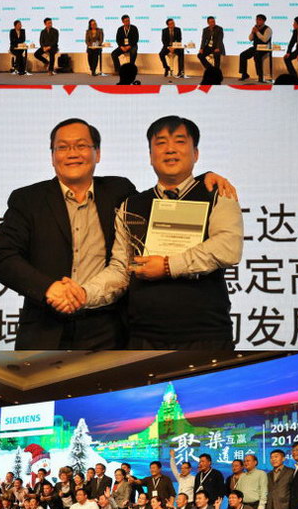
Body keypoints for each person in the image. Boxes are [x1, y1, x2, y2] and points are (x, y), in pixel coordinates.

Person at [79, 115, 243, 348]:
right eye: (161, 143)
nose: (170, 149)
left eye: (180, 141)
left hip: (206, 333)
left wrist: (167, 266)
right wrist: (83, 293)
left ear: (196, 153)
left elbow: (228, 248)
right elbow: (121, 270)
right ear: (150, 155)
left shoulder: (218, 193)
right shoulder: (131, 205)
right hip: (142, 335)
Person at [0, 118, 136, 349]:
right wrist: (49, 288)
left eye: (81, 145)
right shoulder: (28, 200)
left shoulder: (119, 191)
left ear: (97, 153)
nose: (72, 153)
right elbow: (2, 258)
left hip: (107, 327)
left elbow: (155, 206)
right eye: (63, 147)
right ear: (52, 156)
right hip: (45, 326)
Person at [239, 14, 272, 83]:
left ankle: (260, 77)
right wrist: (252, 32)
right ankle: (244, 74)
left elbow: (265, 39)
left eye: (259, 20)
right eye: (256, 19)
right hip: (255, 47)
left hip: (264, 48)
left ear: (263, 21)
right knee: (243, 55)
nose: (257, 21)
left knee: (257, 56)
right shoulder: (255, 28)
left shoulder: (268, 29)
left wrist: (257, 32)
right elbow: (250, 39)